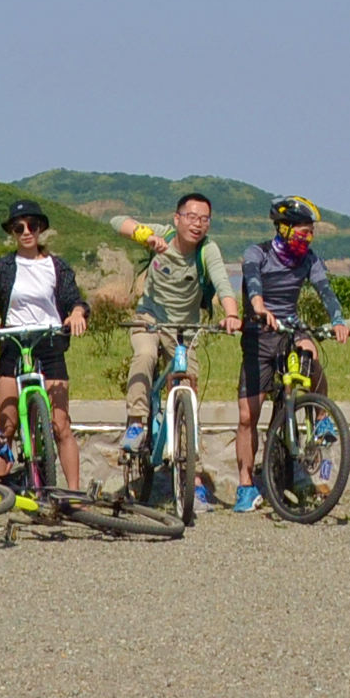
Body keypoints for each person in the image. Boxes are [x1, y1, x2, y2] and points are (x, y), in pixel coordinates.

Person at [234, 196, 346, 514]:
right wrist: (258, 306)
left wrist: (337, 320)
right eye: (301, 233)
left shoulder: (309, 259)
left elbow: (326, 292)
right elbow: (253, 281)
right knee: (247, 416)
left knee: (309, 351)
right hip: (258, 336)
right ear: (282, 229)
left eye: (310, 233)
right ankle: (245, 484)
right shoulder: (257, 252)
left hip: (290, 329)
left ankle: (322, 419)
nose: (306, 239)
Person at [0, 201, 88, 488]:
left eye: (32, 226)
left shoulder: (57, 266)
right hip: (14, 344)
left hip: (49, 342)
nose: (27, 232)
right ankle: (3, 489)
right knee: (6, 427)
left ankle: (73, 492)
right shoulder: (4, 265)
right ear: (12, 232)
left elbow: (74, 300)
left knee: (60, 425)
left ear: (41, 229)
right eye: (19, 227)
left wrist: (78, 314)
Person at [116, 193, 234, 482]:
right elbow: (117, 221)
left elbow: (222, 282)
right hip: (149, 318)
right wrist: (146, 237)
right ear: (177, 218)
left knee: (188, 386)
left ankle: (191, 473)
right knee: (145, 355)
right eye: (191, 217)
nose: (197, 224)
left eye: (204, 219)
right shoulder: (162, 234)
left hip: (184, 328)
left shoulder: (208, 250)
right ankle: (136, 423)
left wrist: (231, 314)